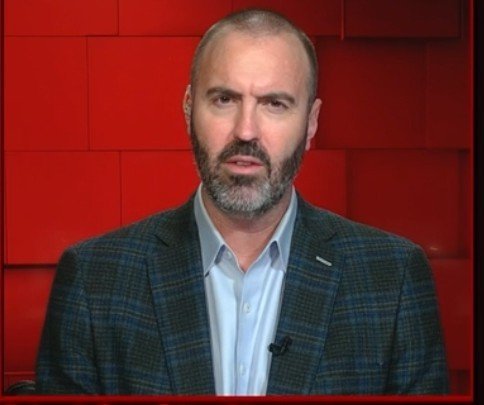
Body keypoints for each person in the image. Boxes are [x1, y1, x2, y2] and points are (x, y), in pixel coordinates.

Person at [35, 9, 448, 395]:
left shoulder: (393, 279)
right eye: (224, 99)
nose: (246, 130)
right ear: (187, 110)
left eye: (274, 104)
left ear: (312, 123)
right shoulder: (94, 280)